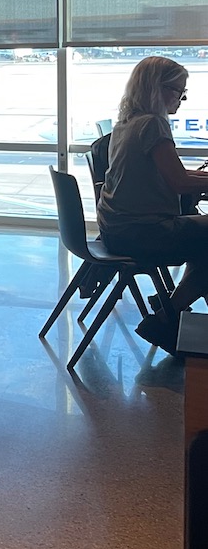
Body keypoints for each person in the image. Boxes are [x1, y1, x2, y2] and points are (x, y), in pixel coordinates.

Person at [96, 55, 208, 352]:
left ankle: (173, 303)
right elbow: (180, 183)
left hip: (116, 230)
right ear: (156, 89)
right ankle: (166, 317)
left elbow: (168, 174)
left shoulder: (127, 123)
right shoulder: (154, 124)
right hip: (142, 233)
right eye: (177, 91)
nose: (181, 99)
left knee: (203, 235)